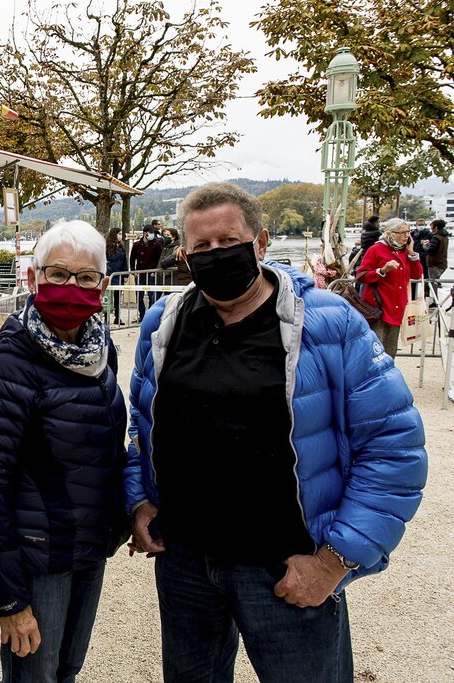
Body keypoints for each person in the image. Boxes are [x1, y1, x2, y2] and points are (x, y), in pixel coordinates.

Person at [126, 182, 426, 683]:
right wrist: (139, 501)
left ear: (261, 243)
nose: (216, 255)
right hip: (186, 564)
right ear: (184, 255)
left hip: (288, 567)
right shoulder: (164, 323)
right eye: (201, 247)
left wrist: (335, 561)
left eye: (229, 241)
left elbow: (394, 447)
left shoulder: (328, 323)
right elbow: (142, 427)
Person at [0, 220, 129, 683]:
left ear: (102, 285)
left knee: (67, 670)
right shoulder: (8, 363)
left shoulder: (100, 350)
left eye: (84, 277)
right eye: (57, 274)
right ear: (32, 278)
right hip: (37, 558)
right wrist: (9, 599)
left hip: (87, 547)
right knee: (33, 676)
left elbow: (107, 448)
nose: (70, 286)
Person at [356, 218, 423, 357]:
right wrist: (382, 271)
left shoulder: (404, 252)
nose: (406, 236)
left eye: (408, 232)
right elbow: (361, 276)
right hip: (378, 308)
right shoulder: (376, 249)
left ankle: (388, 378)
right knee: (375, 351)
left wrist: (412, 254)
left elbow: (417, 275)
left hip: (397, 308)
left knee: (390, 351)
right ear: (390, 234)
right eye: (402, 232)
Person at [129, 226, 163, 318]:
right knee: (139, 295)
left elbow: (160, 259)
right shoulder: (137, 245)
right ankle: (142, 314)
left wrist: (155, 271)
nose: (151, 235)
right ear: (144, 233)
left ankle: (151, 315)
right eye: (149, 233)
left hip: (151, 273)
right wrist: (133, 271)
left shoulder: (156, 245)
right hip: (140, 273)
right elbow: (132, 258)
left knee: (152, 295)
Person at [105, 228, 128, 325]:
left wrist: (125, 274)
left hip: (118, 275)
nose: (120, 236)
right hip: (109, 275)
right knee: (108, 298)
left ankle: (117, 317)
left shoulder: (121, 247)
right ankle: (106, 317)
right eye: (119, 234)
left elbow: (124, 261)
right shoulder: (107, 247)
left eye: (121, 234)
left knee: (118, 298)